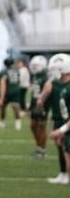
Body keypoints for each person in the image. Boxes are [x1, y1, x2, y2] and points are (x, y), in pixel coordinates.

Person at [42, 54, 70, 184]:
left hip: (66, 124)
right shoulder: (63, 85)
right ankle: (63, 174)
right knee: (62, 148)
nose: (52, 72)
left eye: (55, 69)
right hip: (64, 121)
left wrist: (61, 130)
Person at [28, 55, 49, 158]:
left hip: (42, 105)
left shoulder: (45, 77)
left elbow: (47, 93)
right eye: (33, 66)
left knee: (41, 127)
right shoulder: (35, 76)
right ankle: (38, 146)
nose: (34, 68)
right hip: (34, 104)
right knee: (32, 125)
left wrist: (43, 104)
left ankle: (42, 150)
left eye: (36, 66)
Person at [0, 57, 24, 131]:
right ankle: (18, 123)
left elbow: (3, 83)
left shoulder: (4, 71)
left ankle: (3, 122)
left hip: (7, 91)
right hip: (16, 90)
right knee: (16, 107)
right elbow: (18, 81)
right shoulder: (16, 71)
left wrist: (2, 96)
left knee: (3, 107)